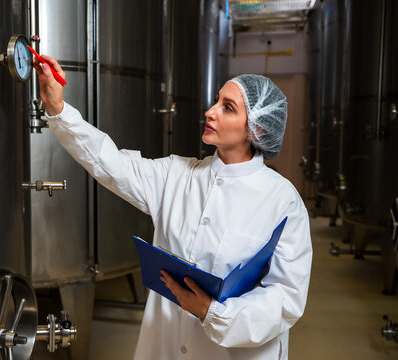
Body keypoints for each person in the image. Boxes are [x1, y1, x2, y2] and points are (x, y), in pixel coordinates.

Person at [35, 56, 312, 359]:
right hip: (165, 345)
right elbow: (108, 161)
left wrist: (214, 313)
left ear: (256, 130)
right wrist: (58, 109)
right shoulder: (177, 174)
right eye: (216, 100)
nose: (210, 111)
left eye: (227, 107)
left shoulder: (282, 200)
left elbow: (287, 297)